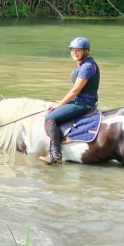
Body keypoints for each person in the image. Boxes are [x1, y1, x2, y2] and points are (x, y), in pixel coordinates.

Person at [40, 37, 100, 165]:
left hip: (83, 103)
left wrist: (60, 104)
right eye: (72, 50)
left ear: (85, 51)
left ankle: (56, 155)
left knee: (50, 119)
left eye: (78, 50)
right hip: (80, 100)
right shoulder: (83, 64)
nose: (74, 53)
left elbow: (75, 90)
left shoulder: (87, 67)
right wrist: (62, 101)